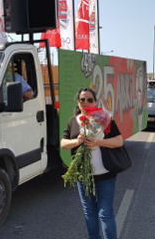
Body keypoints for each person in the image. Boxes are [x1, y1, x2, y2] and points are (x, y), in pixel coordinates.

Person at [61, 88, 123, 239]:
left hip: (105, 174)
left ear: (95, 102)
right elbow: (63, 143)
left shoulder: (104, 118)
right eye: (82, 100)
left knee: (105, 213)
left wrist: (98, 142)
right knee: (89, 212)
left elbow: (119, 141)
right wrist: (77, 141)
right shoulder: (72, 121)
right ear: (78, 102)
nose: (86, 102)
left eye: (90, 99)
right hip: (83, 175)